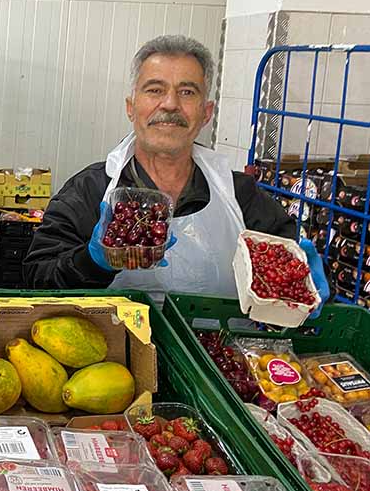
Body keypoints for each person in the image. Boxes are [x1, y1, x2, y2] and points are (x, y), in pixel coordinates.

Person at [23, 34, 329, 306]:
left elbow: (285, 264)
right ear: (131, 107)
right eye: (155, 90)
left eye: (187, 92)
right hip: (114, 357)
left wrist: (301, 281)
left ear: (206, 113)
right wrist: (92, 262)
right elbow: (36, 279)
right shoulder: (89, 191)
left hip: (213, 359)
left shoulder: (240, 197)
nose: (170, 104)